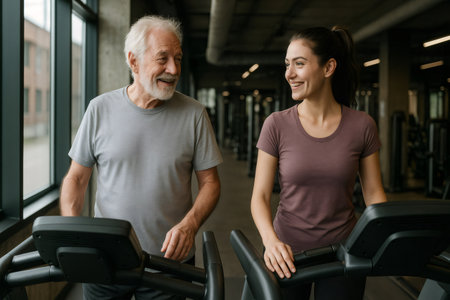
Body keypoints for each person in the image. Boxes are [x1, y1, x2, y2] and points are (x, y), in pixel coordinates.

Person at [59, 15, 222, 300]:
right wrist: (77, 238)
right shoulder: (99, 109)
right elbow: (76, 177)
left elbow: (211, 183)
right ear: (133, 62)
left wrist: (190, 224)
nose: (173, 69)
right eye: (163, 58)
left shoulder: (195, 114)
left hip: (170, 263)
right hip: (105, 261)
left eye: (178, 58)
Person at [251, 26, 387, 300]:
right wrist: (271, 242)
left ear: (328, 68)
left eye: (299, 64)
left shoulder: (362, 126)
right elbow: (260, 197)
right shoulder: (276, 125)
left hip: (342, 255)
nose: (289, 73)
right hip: (286, 255)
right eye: (287, 64)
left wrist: (385, 239)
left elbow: (374, 194)